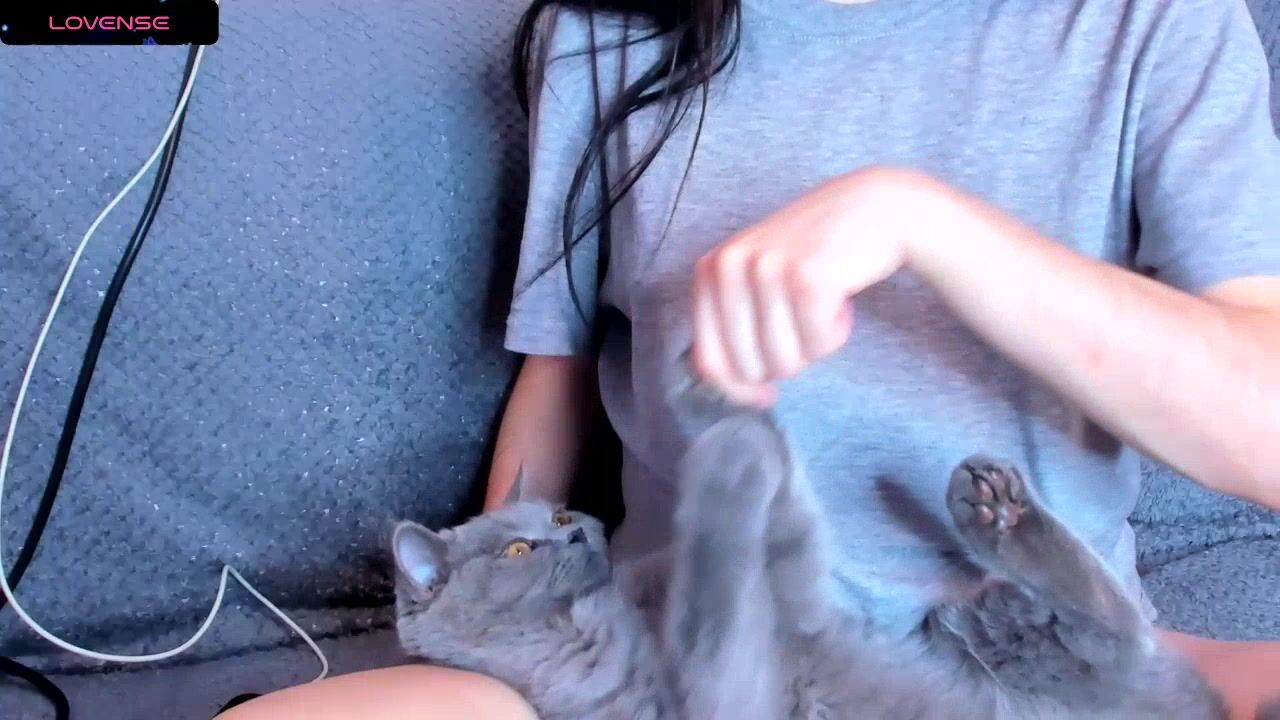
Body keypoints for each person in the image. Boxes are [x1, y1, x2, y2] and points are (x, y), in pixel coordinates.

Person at [223, 0, 1280, 717]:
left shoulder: (1154, 24)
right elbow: (556, 380)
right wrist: (494, 615)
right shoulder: (603, 36)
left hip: (1016, 668)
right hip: (681, 663)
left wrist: (921, 222)